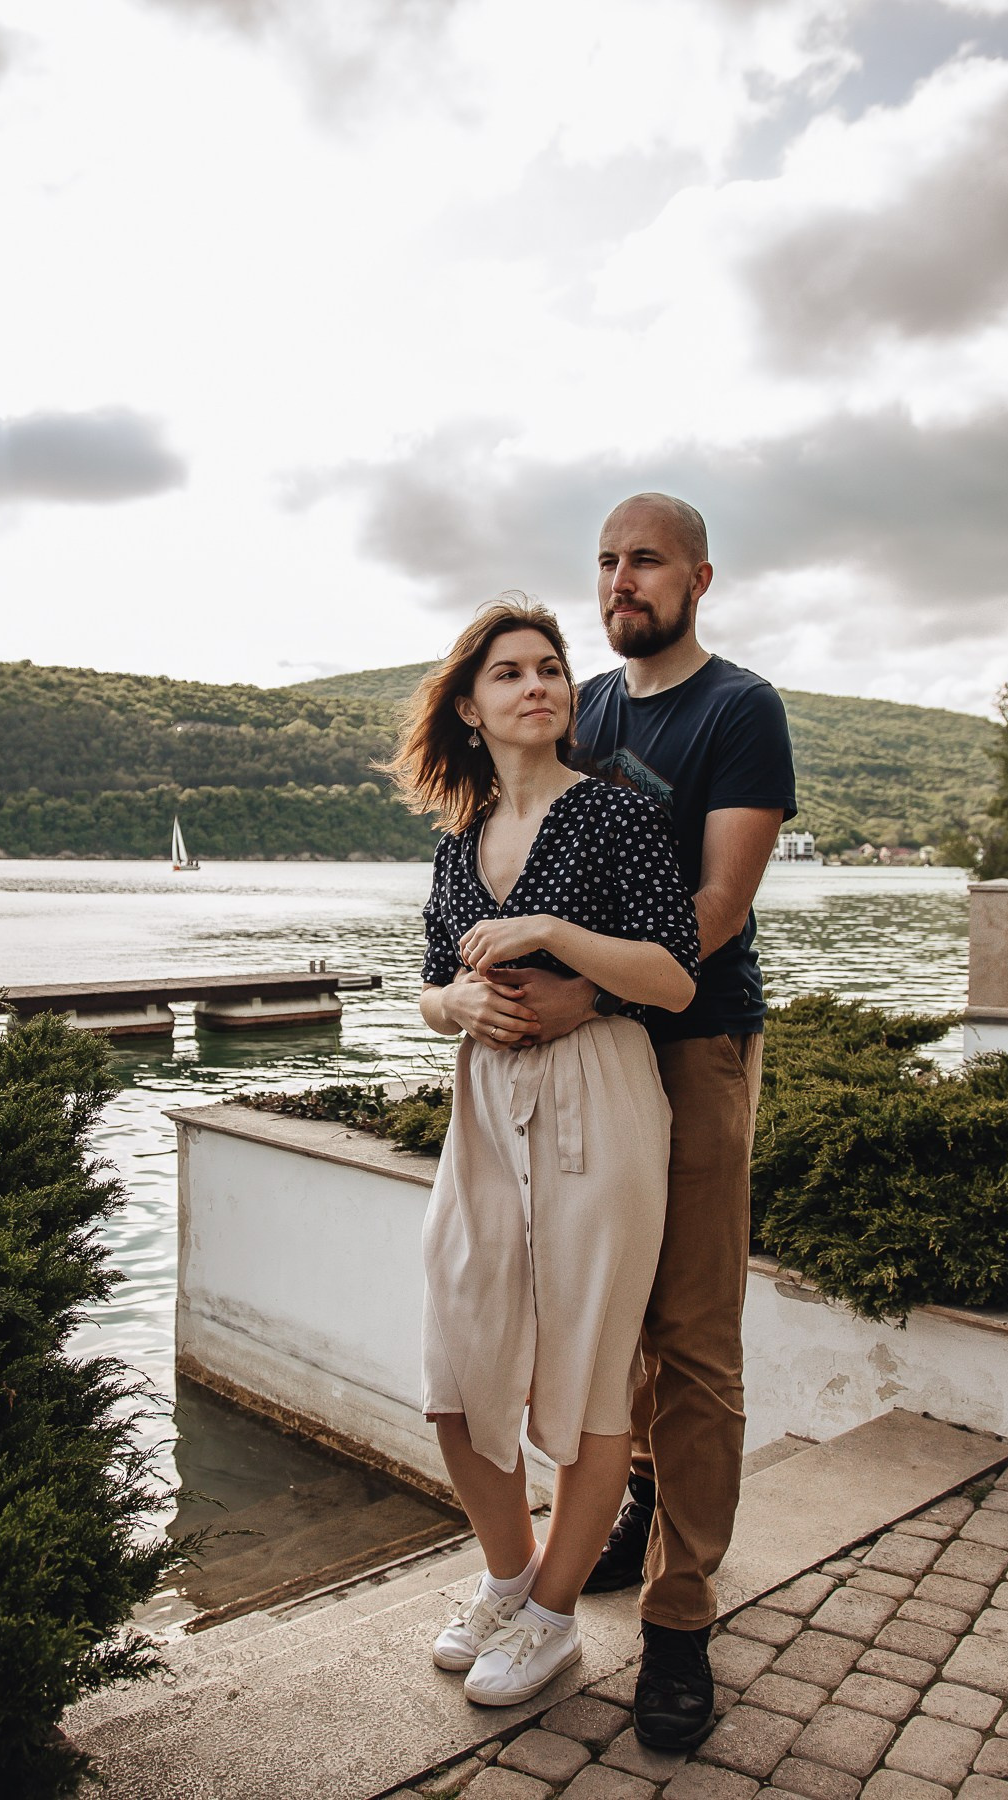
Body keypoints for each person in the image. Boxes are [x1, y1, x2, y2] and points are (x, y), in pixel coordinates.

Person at [438, 496, 796, 1748]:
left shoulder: (735, 708)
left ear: (698, 575)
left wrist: (581, 986)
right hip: (577, 1067)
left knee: (690, 1338)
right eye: (605, 561)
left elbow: (718, 902)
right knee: (602, 1328)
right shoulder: (581, 710)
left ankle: (681, 1620)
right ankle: (623, 1516)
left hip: (688, 1045)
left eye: (644, 560)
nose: (620, 581)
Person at [387, 596, 700, 1708]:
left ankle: (558, 1620)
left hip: (601, 1102)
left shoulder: (614, 819)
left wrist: (554, 937)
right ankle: (510, 1579)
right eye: (510, 673)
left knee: (588, 1375)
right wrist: (459, 1002)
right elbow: (430, 984)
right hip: (484, 1104)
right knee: (456, 1375)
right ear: (469, 709)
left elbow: (674, 978)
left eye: (552, 669)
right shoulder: (458, 843)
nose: (539, 685)